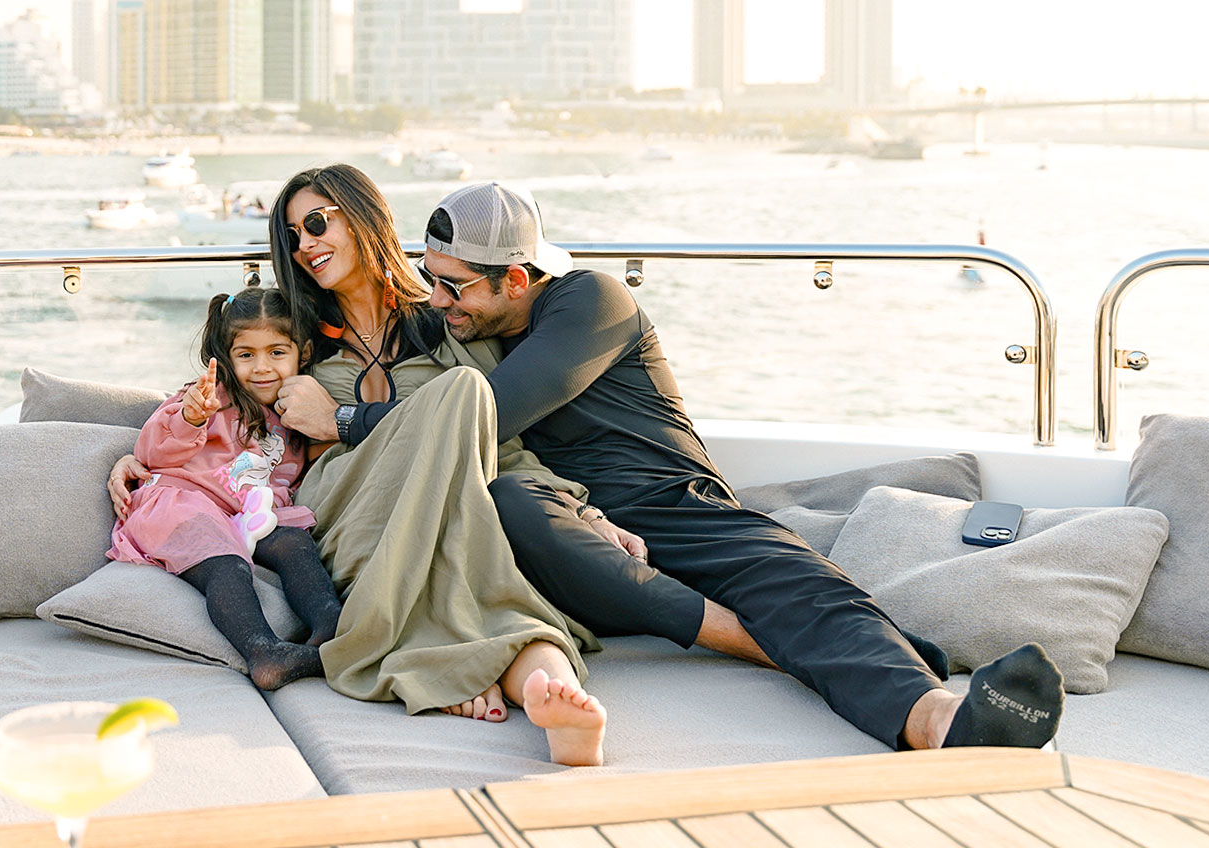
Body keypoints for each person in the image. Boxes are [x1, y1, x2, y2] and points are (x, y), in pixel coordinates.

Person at [277, 179, 1068, 753]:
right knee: (509, 503)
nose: (437, 299)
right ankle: (773, 646)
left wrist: (345, 419)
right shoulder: (459, 326)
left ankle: (938, 721)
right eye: (431, 279)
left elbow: (492, 409)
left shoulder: (590, 301)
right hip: (570, 534)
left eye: (453, 286)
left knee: (791, 577)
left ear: (515, 279)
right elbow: (380, 360)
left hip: (673, 507)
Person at [113, 165, 609, 766]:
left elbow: (500, 441)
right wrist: (136, 460)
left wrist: (580, 510)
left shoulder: (447, 318)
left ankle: (552, 693)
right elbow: (220, 406)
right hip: (344, 503)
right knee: (462, 399)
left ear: (365, 217)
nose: (306, 246)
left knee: (481, 552)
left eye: (318, 224)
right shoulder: (296, 335)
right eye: (293, 236)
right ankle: (461, 665)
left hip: (445, 497)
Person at [108, 288, 343, 691]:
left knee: (294, 545)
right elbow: (152, 451)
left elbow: (283, 480)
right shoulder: (208, 400)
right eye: (246, 355)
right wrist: (191, 418)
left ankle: (332, 630)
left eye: (276, 352)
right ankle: (264, 652)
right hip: (182, 504)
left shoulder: (296, 415)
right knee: (225, 564)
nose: (262, 367)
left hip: (242, 513)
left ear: (302, 353)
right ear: (228, 358)